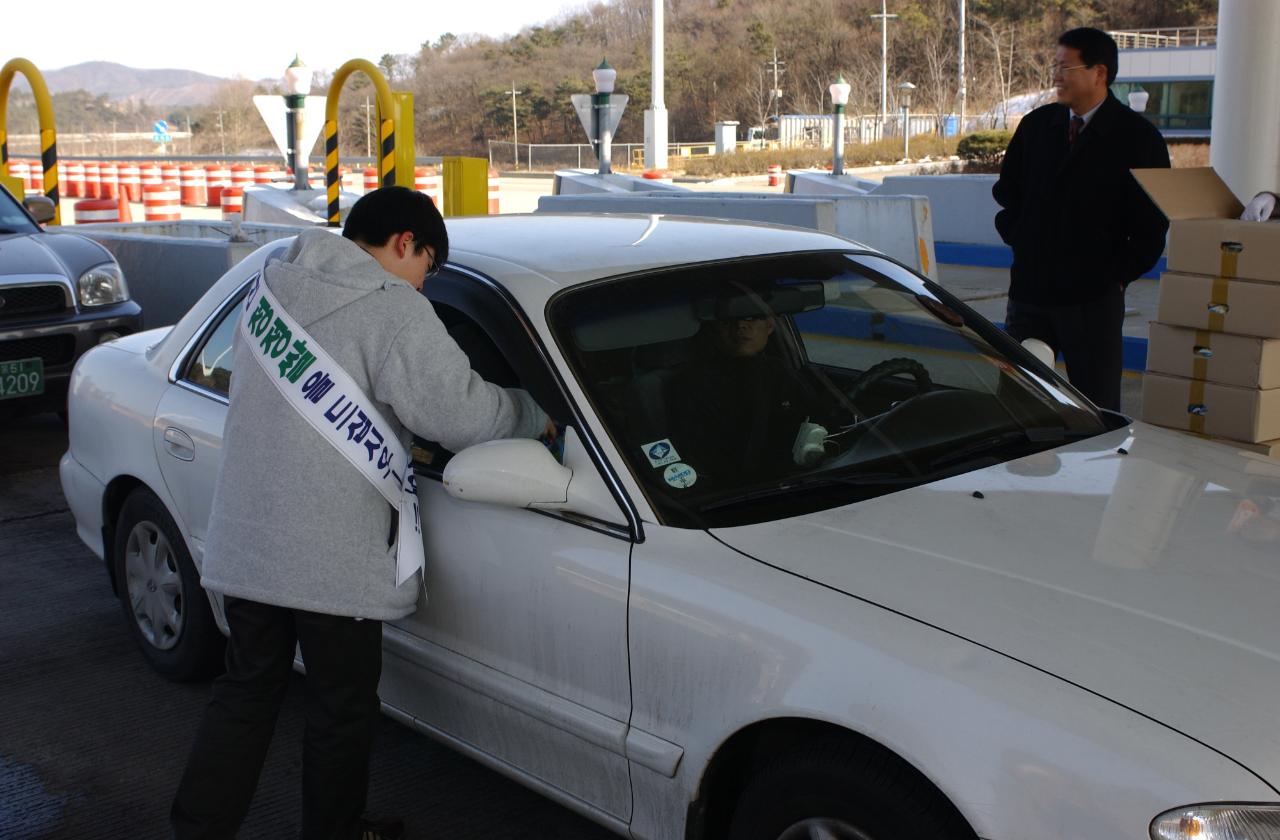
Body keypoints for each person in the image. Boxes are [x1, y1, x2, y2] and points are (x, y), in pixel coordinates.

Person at [170, 186, 552, 839]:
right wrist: (536, 413)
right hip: (329, 556)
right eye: (426, 269)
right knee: (340, 710)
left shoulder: (273, 281)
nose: (423, 286)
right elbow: (460, 415)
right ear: (407, 243)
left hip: (249, 540)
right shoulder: (391, 309)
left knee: (246, 692)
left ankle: (198, 828)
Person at [992, 26, 1170, 411]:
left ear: (1099, 72)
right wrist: (1022, 240)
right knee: (1019, 403)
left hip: (1092, 300)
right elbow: (1008, 196)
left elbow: (1152, 225)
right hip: (1030, 293)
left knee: (1095, 406)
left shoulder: (1138, 139)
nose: (1056, 76)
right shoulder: (1038, 127)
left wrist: (1115, 277)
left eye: (1065, 67)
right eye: (1054, 66)